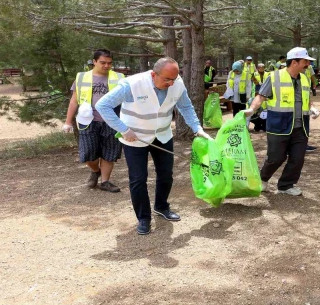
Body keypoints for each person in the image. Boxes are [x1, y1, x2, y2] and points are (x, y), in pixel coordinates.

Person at [95, 57, 213, 235]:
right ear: (153, 74)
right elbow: (102, 105)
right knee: (138, 178)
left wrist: (197, 129)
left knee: (166, 175)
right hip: (134, 138)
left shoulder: (177, 84)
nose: (171, 83)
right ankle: (144, 218)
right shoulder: (132, 84)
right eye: (167, 79)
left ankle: (162, 207)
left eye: (174, 79)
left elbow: (186, 107)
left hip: (163, 135)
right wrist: (123, 129)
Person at [244, 47, 320, 196]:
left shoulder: (304, 78)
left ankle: (286, 185)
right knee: (275, 158)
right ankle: (263, 179)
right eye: (305, 61)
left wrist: (312, 108)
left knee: (297, 158)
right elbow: (260, 96)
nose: (308, 64)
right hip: (278, 126)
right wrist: (251, 110)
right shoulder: (274, 77)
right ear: (294, 62)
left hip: (301, 127)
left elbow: (306, 99)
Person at [62, 49, 125, 193]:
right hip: (88, 120)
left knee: (110, 153)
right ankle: (95, 170)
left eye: (109, 63)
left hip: (112, 120)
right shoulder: (82, 78)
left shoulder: (119, 77)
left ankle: (105, 181)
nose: (106, 66)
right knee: (88, 153)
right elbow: (74, 101)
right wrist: (68, 121)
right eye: (103, 62)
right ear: (94, 62)